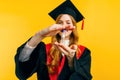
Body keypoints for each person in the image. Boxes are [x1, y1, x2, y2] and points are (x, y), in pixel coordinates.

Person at [14, 0, 92, 80]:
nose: (64, 26)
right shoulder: (44, 50)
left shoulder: (83, 52)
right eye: (60, 22)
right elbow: (22, 72)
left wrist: (71, 60)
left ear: (74, 26)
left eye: (68, 23)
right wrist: (39, 35)